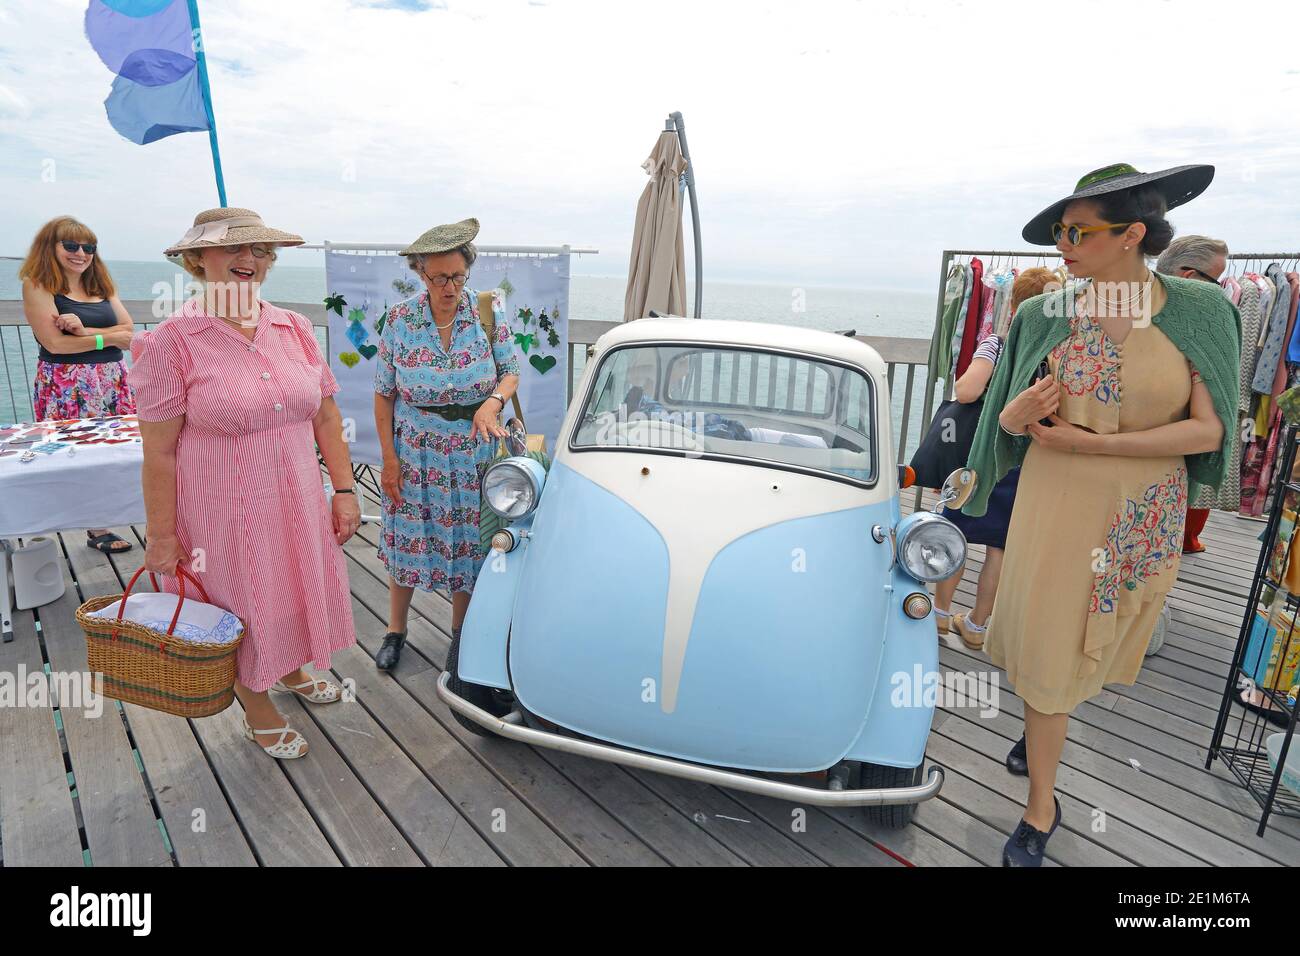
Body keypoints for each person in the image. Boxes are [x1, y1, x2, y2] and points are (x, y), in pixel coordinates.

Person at [963, 163, 1241, 865]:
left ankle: (1038, 724)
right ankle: (1040, 810)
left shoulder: (1200, 311)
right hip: (1055, 501)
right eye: (1060, 230)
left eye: (1078, 230)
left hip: (1142, 509)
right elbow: (1008, 419)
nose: (1063, 243)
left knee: (1091, 640)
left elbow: (1211, 433)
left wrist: (1103, 445)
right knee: (1051, 646)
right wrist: (1018, 417)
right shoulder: (1041, 313)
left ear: (1133, 235)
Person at [134, 207, 360, 759]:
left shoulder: (295, 328)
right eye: (232, 248)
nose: (247, 259)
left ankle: (291, 670)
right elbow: (159, 452)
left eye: (258, 250)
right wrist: (161, 536)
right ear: (197, 259)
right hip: (223, 510)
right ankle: (256, 708)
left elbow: (326, 417)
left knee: (291, 588)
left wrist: (346, 488)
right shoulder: (171, 341)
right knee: (239, 603)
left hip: (298, 500)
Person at [372, 218, 521, 671]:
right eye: (440, 278)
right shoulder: (399, 319)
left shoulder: (488, 311)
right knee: (409, 541)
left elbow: (510, 371)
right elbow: (383, 394)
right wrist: (389, 460)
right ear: (421, 273)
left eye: (458, 276)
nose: (450, 287)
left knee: (466, 544)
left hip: (473, 449)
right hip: (416, 450)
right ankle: (396, 630)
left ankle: (459, 634)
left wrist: (492, 402)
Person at [935, 267, 1057, 650]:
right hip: (1025, 459)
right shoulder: (1058, 355)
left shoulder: (997, 344)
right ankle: (976, 625)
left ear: (1015, 303)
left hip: (981, 455)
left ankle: (938, 615)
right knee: (999, 546)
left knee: (956, 532)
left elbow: (967, 391)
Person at [19, 216, 136, 554]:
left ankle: (114, 510)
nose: (80, 253)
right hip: (65, 384)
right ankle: (95, 526)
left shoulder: (102, 287)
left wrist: (85, 334)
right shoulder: (38, 285)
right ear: (50, 247)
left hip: (112, 380)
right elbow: (56, 345)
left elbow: (129, 336)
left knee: (118, 449)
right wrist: (106, 338)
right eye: (70, 245)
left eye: (88, 247)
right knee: (76, 452)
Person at [1155, 235, 1231, 554]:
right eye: (1217, 281)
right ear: (1189, 277)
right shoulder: (1195, 333)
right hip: (1158, 476)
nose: (1221, 290)